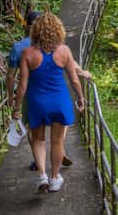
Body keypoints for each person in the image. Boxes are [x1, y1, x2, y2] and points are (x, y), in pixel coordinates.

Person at [10, 12, 86, 192]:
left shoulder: (27, 53)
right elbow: (74, 80)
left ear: (34, 30)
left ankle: (42, 175)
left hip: (37, 102)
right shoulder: (64, 51)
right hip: (59, 101)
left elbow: (22, 85)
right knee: (57, 141)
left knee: (38, 140)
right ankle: (54, 178)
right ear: (58, 30)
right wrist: (81, 98)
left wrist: (16, 108)